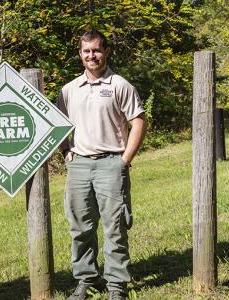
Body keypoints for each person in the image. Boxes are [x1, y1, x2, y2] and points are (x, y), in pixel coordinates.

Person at [57, 30, 147, 300]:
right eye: (86, 51)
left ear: (106, 51)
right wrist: (66, 152)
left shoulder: (120, 85)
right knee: (80, 228)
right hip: (79, 166)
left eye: (96, 50)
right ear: (80, 54)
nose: (91, 56)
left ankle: (116, 284)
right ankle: (86, 279)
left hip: (111, 163)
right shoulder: (69, 90)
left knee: (115, 227)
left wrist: (124, 160)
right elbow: (58, 126)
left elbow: (139, 121)